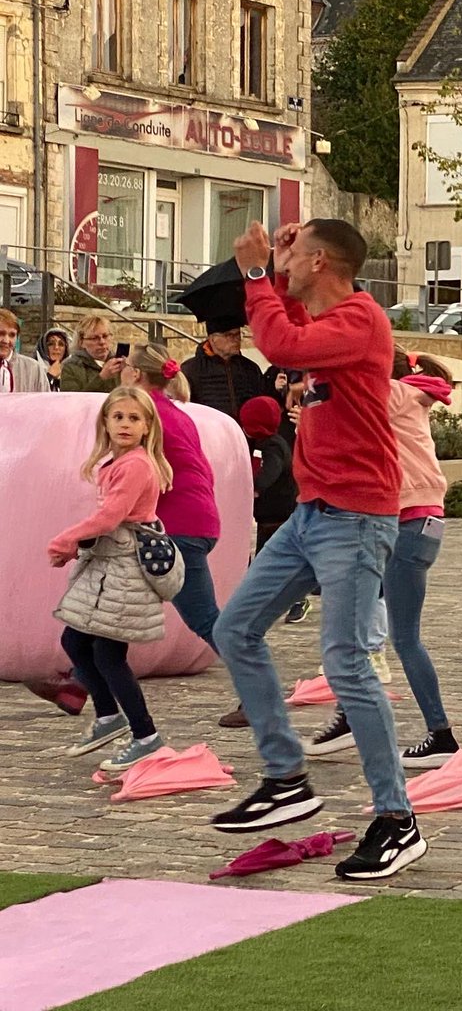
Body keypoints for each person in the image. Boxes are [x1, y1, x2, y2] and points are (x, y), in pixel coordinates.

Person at [211, 218, 427, 882]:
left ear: (322, 262)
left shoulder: (360, 321)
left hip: (357, 517)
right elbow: (287, 322)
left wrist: (256, 275)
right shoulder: (327, 315)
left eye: (297, 254)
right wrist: (274, 276)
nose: (287, 262)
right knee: (235, 628)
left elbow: (278, 340)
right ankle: (286, 779)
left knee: (347, 663)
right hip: (312, 514)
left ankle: (396, 820)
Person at [307, 346, 461, 769]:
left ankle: (441, 735)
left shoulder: (391, 395)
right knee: (357, 625)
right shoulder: (409, 397)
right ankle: (351, 716)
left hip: (406, 524)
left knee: (402, 636)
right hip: (418, 523)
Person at [47, 385, 172, 772]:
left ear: (147, 426)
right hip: (111, 565)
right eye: (118, 416)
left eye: (134, 418)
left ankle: (145, 736)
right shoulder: (119, 463)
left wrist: (67, 538)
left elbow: (111, 516)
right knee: (77, 641)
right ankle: (108, 716)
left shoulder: (135, 465)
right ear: (105, 422)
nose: (125, 424)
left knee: (107, 653)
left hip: (124, 570)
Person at [119, 345, 223, 655]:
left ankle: (259, 681)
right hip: (197, 519)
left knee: (205, 619)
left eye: (126, 365)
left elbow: (133, 471)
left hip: (175, 527)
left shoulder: (141, 415)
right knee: (110, 608)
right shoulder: (178, 414)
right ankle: (84, 672)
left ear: (136, 373)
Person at [238, 394, 309, 626]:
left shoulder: (273, 446)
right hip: (267, 517)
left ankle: (297, 599)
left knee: (274, 562)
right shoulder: (260, 444)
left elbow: (270, 471)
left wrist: (255, 487)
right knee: (264, 561)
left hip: (281, 514)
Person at [180, 318, 263, 422]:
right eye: (229, 335)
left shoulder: (250, 368)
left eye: (238, 334)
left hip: (244, 430)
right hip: (208, 428)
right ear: (212, 338)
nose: (236, 339)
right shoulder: (191, 370)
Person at [60, 316, 125, 392]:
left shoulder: (119, 363)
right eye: (94, 338)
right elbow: (72, 398)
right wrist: (102, 378)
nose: (102, 342)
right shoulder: (71, 366)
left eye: (105, 336)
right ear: (81, 342)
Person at [0, 308, 50, 392]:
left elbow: (46, 399)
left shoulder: (34, 369)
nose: (6, 341)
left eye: (12, 335)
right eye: (1, 333)